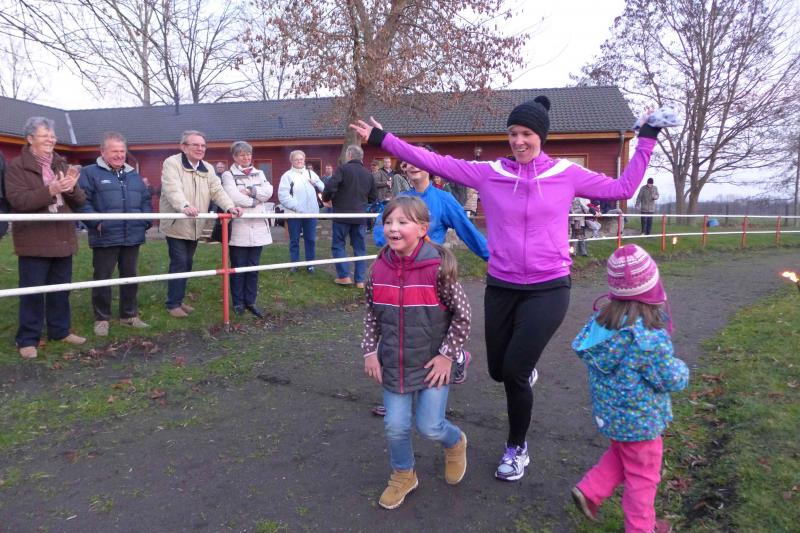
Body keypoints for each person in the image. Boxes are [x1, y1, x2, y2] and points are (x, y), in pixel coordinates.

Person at [351, 95, 665, 481]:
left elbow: (623, 187)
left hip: (549, 287)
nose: (518, 141)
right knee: (499, 370)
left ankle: (517, 448)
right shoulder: (491, 173)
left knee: (514, 372)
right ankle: (519, 371)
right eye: (513, 133)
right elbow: (434, 161)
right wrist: (382, 139)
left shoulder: (565, 173)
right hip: (502, 284)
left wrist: (647, 136)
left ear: (541, 137)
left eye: (526, 134)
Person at [361, 196, 470, 510]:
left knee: (430, 426)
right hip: (394, 364)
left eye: (402, 222)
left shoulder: (439, 268)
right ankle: (403, 474)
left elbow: (463, 315)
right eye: (388, 222)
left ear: (423, 228)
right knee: (395, 426)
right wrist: (369, 352)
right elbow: (371, 315)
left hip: (433, 364)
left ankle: (455, 442)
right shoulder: (377, 270)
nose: (393, 228)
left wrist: (447, 355)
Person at [571, 244, 688, 533]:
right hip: (641, 423)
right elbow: (669, 378)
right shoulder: (647, 339)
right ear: (652, 289)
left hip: (613, 418)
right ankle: (640, 528)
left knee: (621, 455)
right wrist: (682, 370)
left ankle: (590, 490)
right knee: (643, 479)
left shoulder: (601, 326)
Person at [5, 116, 87, 359]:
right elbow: (18, 201)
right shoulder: (16, 167)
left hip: (63, 236)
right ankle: (27, 339)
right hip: (34, 239)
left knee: (61, 289)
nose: (51, 139)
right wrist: (50, 190)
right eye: (45, 135)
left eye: (52, 135)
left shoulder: (60, 164)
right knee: (32, 291)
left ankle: (60, 331)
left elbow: (81, 201)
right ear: (30, 138)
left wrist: (71, 188)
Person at [160, 130, 242, 318]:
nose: (200, 148)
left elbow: (217, 190)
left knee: (187, 263)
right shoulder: (172, 163)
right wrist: (184, 205)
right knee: (180, 262)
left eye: (203, 145)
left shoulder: (208, 168)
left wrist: (230, 206)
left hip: (196, 225)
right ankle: (172, 304)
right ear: (183, 147)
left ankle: (178, 299)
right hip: (177, 223)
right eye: (195, 145)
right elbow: (172, 189)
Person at [79, 132, 152, 337]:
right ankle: (102, 318)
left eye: (122, 151)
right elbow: (83, 202)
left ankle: (129, 315)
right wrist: (96, 222)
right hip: (106, 235)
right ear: (102, 152)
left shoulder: (133, 174)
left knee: (130, 276)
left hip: (132, 234)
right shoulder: (89, 173)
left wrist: (145, 221)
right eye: (114, 151)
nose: (120, 155)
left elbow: (145, 200)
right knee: (103, 278)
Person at [220, 141, 274, 318]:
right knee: (238, 267)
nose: (246, 157)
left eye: (248, 154)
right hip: (239, 227)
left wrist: (250, 191)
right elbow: (234, 197)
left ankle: (251, 301)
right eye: (242, 154)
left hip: (258, 227)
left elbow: (269, 192)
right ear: (235, 157)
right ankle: (238, 302)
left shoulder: (260, 173)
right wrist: (257, 200)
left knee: (253, 267)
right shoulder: (228, 175)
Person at [321, 145, 377, 288]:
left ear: (349, 155)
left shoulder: (342, 169)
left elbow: (330, 187)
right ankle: (360, 281)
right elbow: (373, 197)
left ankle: (344, 276)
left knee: (338, 245)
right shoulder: (368, 174)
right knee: (360, 248)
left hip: (342, 215)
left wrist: (326, 199)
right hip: (360, 216)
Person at [278, 150, 325, 273]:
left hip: (311, 213)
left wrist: (316, 183)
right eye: (296, 159)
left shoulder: (311, 173)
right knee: (294, 240)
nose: (299, 161)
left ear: (304, 160)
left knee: (310, 239)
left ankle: (310, 264)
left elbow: (323, 188)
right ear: (292, 161)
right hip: (294, 214)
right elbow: (283, 196)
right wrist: (297, 207)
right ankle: (295, 264)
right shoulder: (287, 176)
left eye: (301, 159)